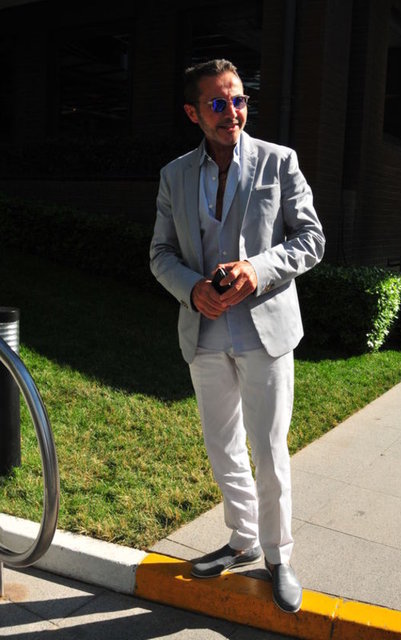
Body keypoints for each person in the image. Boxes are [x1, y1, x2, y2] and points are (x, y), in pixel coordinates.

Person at [150, 58, 325, 613]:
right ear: (193, 113)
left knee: (269, 450)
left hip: (263, 332)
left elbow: (311, 239)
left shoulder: (279, 161)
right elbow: (161, 253)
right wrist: (191, 289)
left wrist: (258, 268)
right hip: (203, 332)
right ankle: (243, 537)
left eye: (239, 100)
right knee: (221, 444)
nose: (232, 112)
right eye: (218, 103)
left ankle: (278, 555)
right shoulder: (175, 175)